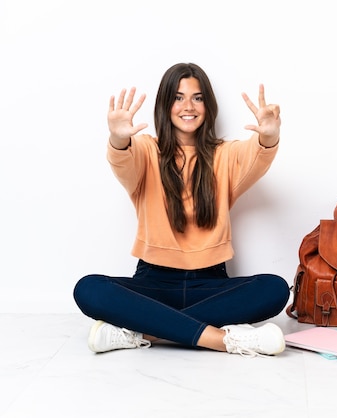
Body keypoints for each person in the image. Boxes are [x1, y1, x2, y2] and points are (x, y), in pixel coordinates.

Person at [73, 62, 290, 357]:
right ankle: (223, 340)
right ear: (166, 104)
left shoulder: (224, 155)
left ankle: (142, 332)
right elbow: (123, 161)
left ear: (207, 104)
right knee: (88, 289)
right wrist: (119, 139)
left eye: (197, 97)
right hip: (153, 283)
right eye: (178, 97)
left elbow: (256, 155)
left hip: (211, 283)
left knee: (275, 289)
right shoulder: (146, 151)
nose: (188, 106)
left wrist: (268, 136)